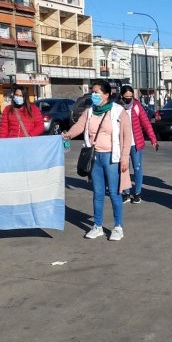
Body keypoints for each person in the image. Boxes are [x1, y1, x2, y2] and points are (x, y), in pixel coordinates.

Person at [62, 79, 131, 241]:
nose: (93, 95)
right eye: (92, 91)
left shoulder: (118, 111)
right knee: (98, 193)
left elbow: (128, 136)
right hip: (94, 157)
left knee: (114, 193)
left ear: (106, 95)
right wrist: (68, 134)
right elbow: (79, 126)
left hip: (111, 157)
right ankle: (98, 226)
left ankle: (118, 227)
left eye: (96, 92)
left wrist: (125, 158)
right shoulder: (90, 111)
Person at [117, 85, 158, 204]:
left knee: (137, 168)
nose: (129, 99)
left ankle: (137, 193)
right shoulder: (117, 108)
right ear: (121, 96)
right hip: (122, 144)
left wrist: (153, 140)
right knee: (123, 168)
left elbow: (146, 123)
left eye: (131, 97)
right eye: (126, 97)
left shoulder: (137, 106)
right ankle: (126, 192)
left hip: (136, 144)